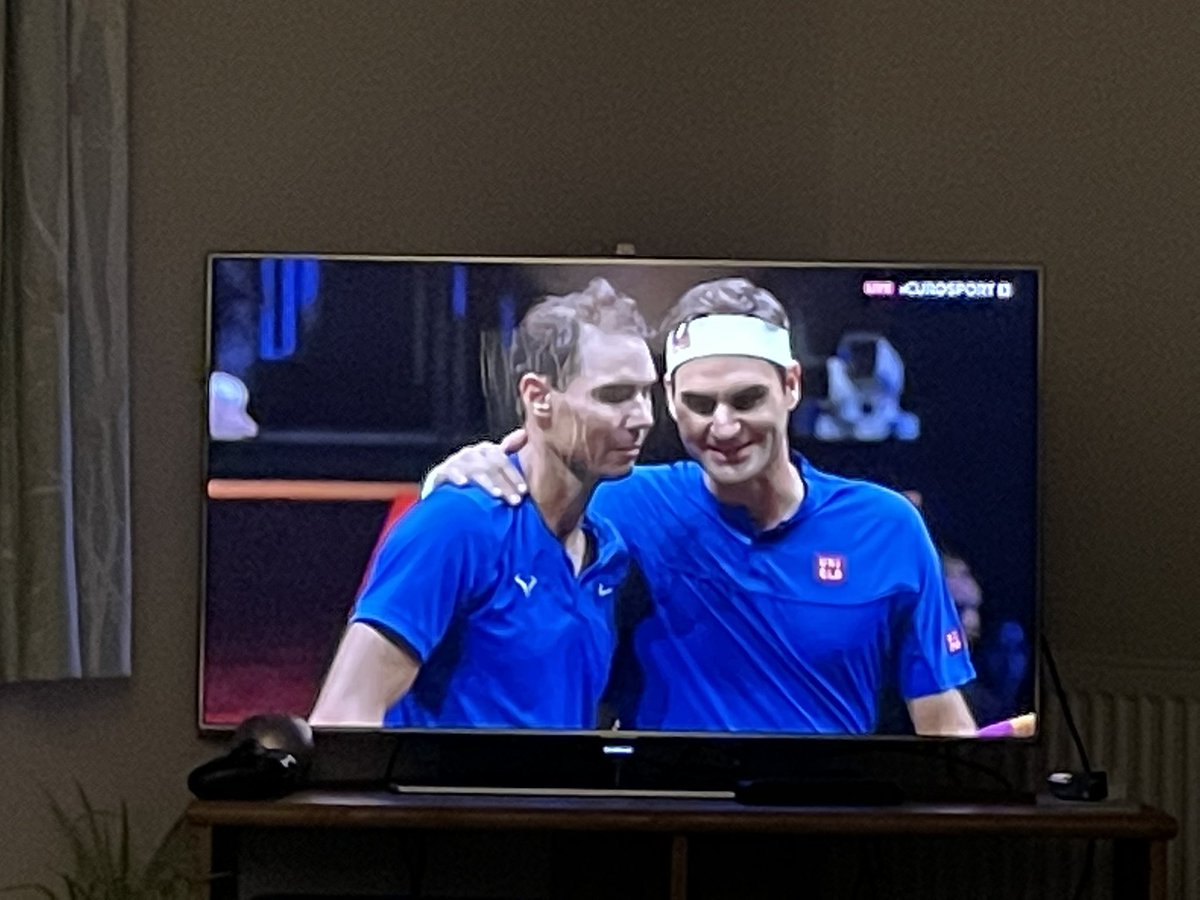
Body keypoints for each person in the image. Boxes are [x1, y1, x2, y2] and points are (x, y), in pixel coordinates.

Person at [425, 277, 977, 736]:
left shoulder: (886, 526)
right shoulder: (621, 501)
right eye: (699, 403)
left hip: (827, 838)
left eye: (746, 399)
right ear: (668, 399)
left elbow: (943, 723)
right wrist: (449, 478)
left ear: (789, 386)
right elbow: (494, 520)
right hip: (662, 833)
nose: (724, 427)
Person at [308, 278, 657, 728]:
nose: (643, 418)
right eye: (615, 395)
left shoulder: (607, 551)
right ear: (538, 398)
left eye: (647, 393)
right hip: (450, 800)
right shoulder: (457, 524)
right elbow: (343, 715)